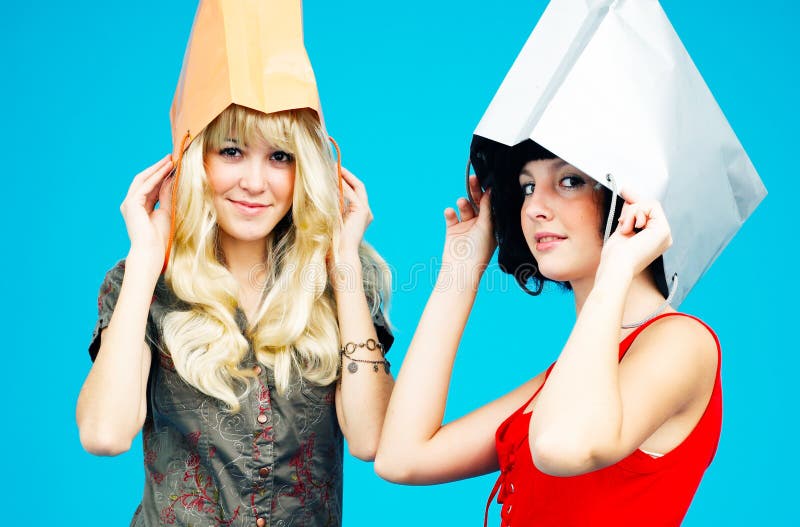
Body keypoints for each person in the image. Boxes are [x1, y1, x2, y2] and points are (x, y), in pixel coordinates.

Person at [76, 3, 393, 526]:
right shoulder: (142, 285)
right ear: (193, 159)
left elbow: (372, 438)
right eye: (231, 151)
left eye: (280, 157)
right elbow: (104, 434)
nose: (254, 182)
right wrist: (145, 263)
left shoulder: (343, 283)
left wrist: (345, 275)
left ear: (306, 169)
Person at [375, 139, 721, 526]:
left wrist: (617, 269)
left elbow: (561, 446)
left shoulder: (683, 342)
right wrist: (463, 266)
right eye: (526, 187)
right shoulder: (574, 374)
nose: (535, 208)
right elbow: (402, 457)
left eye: (569, 181)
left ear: (631, 202)